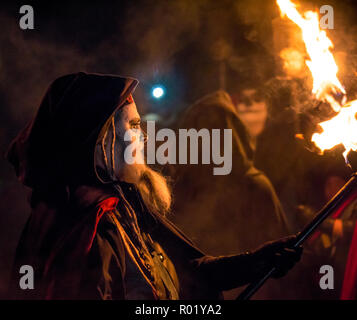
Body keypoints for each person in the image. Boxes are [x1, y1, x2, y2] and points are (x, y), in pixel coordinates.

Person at [7, 72, 302, 300]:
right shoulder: (91, 225)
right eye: (133, 127)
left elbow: (189, 272)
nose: (142, 138)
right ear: (103, 139)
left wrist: (258, 262)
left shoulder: (124, 203)